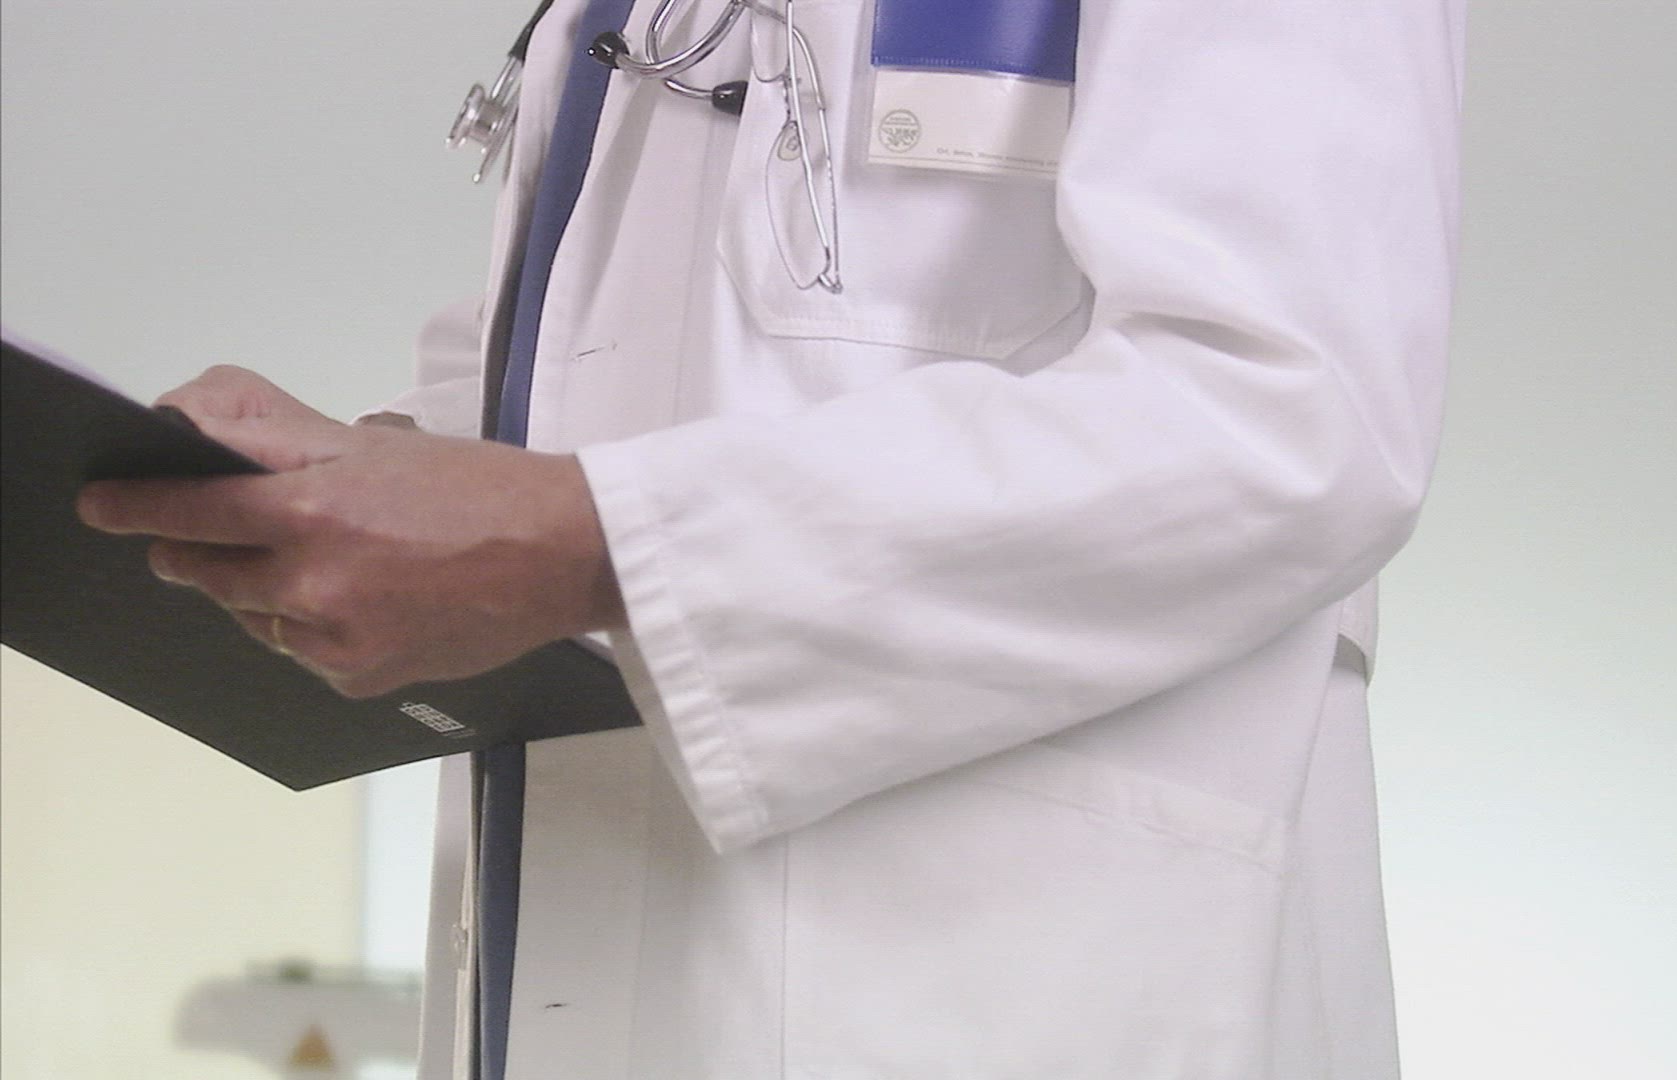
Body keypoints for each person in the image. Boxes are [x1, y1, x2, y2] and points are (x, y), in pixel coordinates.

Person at [78, 0, 1466, 1076]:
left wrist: (591, 543)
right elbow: (653, 357)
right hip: (591, 935)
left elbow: (1290, 416)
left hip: (1012, 974)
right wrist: (354, 484)